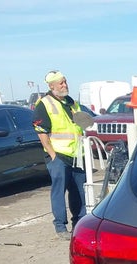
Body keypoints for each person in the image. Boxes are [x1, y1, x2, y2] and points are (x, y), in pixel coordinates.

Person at [33, 70, 91, 238]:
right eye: (61, 83)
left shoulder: (72, 103)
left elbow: (83, 124)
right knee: (59, 191)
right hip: (59, 155)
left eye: (65, 81)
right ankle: (60, 226)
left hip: (76, 155)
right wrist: (52, 155)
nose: (65, 85)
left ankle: (79, 224)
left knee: (79, 191)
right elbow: (41, 132)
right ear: (52, 86)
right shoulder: (45, 103)